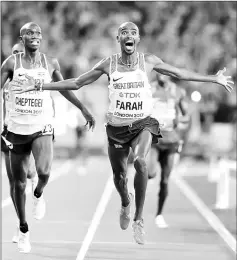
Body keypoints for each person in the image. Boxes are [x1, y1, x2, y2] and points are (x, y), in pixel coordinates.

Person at [12, 21, 234, 245]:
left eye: (134, 32)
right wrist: (41, 86)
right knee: (120, 178)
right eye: (124, 33)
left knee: (140, 162)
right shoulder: (109, 64)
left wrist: (213, 78)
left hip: (143, 123)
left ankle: (139, 219)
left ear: (138, 39)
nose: (129, 35)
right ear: (118, 39)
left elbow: (179, 73)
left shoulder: (148, 62)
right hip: (117, 129)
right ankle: (126, 202)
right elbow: (77, 83)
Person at [1, 22, 95, 253]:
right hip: (14, 129)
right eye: (29, 33)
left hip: (41, 125)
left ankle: (39, 193)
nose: (35, 36)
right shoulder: (11, 63)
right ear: (21, 38)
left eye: (38, 33)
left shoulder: (50, 62)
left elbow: (63, 87)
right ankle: (23, 228)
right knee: (18, 183)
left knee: (44, 172)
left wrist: (82, 107)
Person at [1, 41, 38, 244]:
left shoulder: (31, 79)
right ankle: (20, 224)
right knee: (14, 182)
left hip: (29, 131)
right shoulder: (5, 80)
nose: (16, 58)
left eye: (19, 54)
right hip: (8, 133)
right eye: (13, 54)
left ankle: (35, 178)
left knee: (29, 172)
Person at [147, 74, 190, 228]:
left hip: (171, 141)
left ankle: (159, 214)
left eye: (164, 72)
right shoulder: (148, 88)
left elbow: (186, 117)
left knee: (165, 180)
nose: (161, 76)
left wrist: (177, 121)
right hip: (154, 139)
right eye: (158, 72)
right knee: (150, 173)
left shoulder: (177, 91)